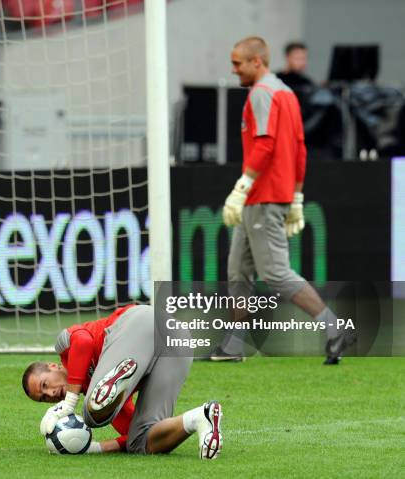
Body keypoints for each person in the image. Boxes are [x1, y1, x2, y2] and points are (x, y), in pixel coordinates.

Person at [216, 37, 355, 365]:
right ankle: (232, 347)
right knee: (238, 269)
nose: (234, 69)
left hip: (262, 197)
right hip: (269, 195)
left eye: (238, 63)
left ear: (256, 62)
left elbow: (264, 146)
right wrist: (296, 197)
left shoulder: (262, 93)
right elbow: (299, 149)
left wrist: (241, 188)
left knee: (276, 273)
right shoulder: (287, 94)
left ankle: (336, 329)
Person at [22, 304, 223, 458]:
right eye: (43, 398)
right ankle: (200, 418)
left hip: (143, 322)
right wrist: (91, 448)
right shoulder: (106, 401)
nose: (50, 394)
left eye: (44, 385)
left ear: (53, 366)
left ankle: (124, 368)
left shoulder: (64, 347)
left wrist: (69, 402)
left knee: (91, 414)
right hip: (178, 344)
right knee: (141, 441)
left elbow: (84, 342)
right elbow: (127, 437)